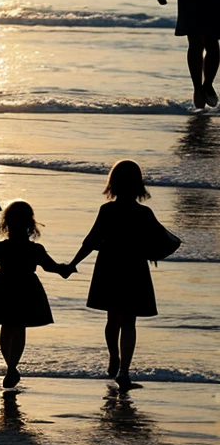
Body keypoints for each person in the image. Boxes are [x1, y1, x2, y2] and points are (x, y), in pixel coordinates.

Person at [68, 160, 180, 391]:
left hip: (109, 268)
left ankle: (113, 357)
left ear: (113, 184)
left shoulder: (107, 210)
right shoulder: (144, 213)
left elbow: (90, 241)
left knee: (113, 320)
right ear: (138, 185)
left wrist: (72, 264)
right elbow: (168, 241)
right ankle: (124, 372)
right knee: (129, 322)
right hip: (134, 270)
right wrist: (152, 252)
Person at [0, 200, 73, 389]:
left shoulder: (1, 247)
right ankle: (12, 367)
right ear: (30, 224)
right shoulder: (35, 249)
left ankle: (10, 367)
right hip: (26, 288)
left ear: (7, 224)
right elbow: (51, 267)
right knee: (19, 328)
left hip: (2, 287)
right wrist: (66, 268)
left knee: (6, 328)